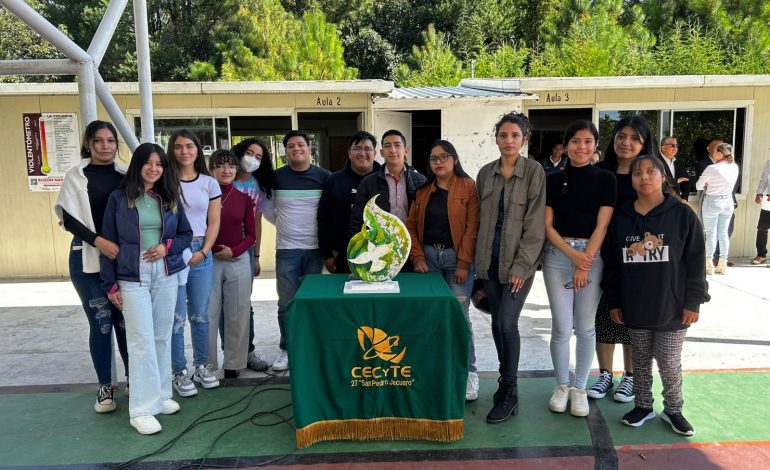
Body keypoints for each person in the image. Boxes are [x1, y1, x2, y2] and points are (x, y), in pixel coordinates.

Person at [602, 155, 707, 436]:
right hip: (635, 306)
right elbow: (612, 263)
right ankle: (643, 406)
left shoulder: (683, 214)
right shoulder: (622, 217)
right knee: (641, 360)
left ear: (663, 177)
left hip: (672, 307)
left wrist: (693, 300)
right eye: (637, 173)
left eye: (651, 171)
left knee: (669, 363)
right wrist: (614, 300)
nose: (644, 177)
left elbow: (696, 261)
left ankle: (673, 409)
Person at [101, 142, 192, 435]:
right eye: (148, 163)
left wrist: (167, 248)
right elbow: (108, 242)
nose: (154, 169)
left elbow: (186, 234)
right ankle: (141, 409)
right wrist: (110, 283)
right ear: (137, 165)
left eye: (159, 164)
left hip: (165, 273)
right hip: (132, 276)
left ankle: (163, 394)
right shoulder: (119, 199)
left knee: (162, 336)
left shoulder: (168, 197)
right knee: (141, 341)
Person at [474, 112, 546, 423]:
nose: (509, 141)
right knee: (494, 323)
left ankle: (510, 389)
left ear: (524, 139)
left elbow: (535, 223)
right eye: (503, 135)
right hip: (488, 263)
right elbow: (480, 221)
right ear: (497, 138)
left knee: (506, 322)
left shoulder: (534, 172)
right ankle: (505, 385)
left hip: (519, 265)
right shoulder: (485, 173)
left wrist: (522, 265)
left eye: (515, 136)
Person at [55, 120, 129, 413]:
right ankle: (105, 388)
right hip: (86, 260)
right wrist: (98, 241)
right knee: (101, 323)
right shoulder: (76, 176)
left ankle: (135, 381)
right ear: (88, 143)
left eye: (111, 141)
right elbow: (68, 219)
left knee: (125, 323)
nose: (105, 146)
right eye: (98, 141)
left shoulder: (125, 176)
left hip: (120, 261)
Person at [543, 121, 616, 417]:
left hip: (592, 256)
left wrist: (585, 259)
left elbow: (603, 224)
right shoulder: (551, 179)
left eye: (587, 141)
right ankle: (562, 385)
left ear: (595, 145)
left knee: (585, 328)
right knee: (561, 327)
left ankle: (580, 388)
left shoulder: (605, 179)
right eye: (575, 141)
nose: (581, 147)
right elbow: (547, 226)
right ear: (566, 145)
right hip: (558, 255)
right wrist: (574, 256)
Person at [406, 139, 481, 401]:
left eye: (444, 156)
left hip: (456, 261)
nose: (438, 162)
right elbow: (411, 227)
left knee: (459, 317)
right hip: (429, 260)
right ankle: (436, 371)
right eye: (433, 158)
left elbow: (473, 228)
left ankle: (470, 372)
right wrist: (417, 258)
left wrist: (463, 262)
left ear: (455, 159)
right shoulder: (424, 192)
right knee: (433, 316)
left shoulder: (469, 187)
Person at [589, 115, 656, 404]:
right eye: (621, 136)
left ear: (644, 144)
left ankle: (630, 376)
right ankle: (605, 374)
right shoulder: (599, 172)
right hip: (601, 255)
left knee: (632, 316)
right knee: (601, 314)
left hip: (636, 256)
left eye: (634, 138)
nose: (626, 143)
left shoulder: (648, 175)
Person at [262, 130, 330, 371]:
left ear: (310, 149)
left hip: (316, 249)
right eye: (291, 146)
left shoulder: (324, 177)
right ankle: (287, 349)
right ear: (285, 151)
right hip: (287, 249)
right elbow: (268, 210)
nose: (296, 149)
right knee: (287, 303)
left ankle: (309, 347)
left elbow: (330, 211)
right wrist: (287, 227)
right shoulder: (276, 178)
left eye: (301, 145)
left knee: (311, 302)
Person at [168, 130, 221, 398]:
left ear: (198, 150)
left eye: (189, 146)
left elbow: (214, 222)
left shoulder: (210, 184)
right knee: (176, 318)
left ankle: (202, 366)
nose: (184, 151)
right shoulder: (165, 182)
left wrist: (205, 251)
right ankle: (178, 371)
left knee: (200, 314)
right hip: (174, 251)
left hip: (201, 250)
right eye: (178, 147)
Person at [205, 149, 256, 379]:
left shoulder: (244, 199)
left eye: (231, 166)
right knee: (207, 313)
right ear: (211, 168)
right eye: (221, 165)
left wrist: (233, 251)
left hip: (238, 260)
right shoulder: (202, 196)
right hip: (208, 261)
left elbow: (251, 235)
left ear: (237, 170)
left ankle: (234, 364)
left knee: (238, 311)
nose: (226, 170)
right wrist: (215, 250)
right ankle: (206, 365)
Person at [349, 129, 428, 268]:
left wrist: (420, 253)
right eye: (387, 146)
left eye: (397, 145)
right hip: (379, 250)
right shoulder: (368, 183)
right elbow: (357, 219)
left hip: (412, 250)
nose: (392, 150)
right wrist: (361, 249)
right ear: (381, 153)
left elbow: (426, 220)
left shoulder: (420, 181)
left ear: (406, 151)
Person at [231, 137, 276, 371]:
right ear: (239, 153)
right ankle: (229, 355)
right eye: (249, 153)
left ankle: (247, 352)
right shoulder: (222, 179)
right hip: (217, 251)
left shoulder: (258, 186)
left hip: (246, 250)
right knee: (218, 305)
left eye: (258, 157)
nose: (252, 159)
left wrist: (256, 255)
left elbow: (256, 223)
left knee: (243, 303)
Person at [318, 131, 380, 273]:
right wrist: (327, 254)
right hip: (343, 255)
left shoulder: (384, 179)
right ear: (349, 153)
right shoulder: (334, 180)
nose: (362, 153)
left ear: (375, 153)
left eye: (367, 149)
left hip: (380, 253)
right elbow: (324, 219)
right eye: (357, 148)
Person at [696, 143, 739, 275]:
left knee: (710, 234)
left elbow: (698, 185)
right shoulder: (734, 167)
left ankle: (709, 264)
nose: (712, 153)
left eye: (715, 151)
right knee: (723, 233)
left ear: (720, 153)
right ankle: (722, 264)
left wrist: (708, 184)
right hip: (727, 201)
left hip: (712, 201)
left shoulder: (712, 168)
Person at [751, 157, 770, 265]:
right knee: (762, 228)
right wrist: (759, 193)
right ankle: (761, 255)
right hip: (768, 200)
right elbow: (764, 180)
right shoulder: (769, 163)